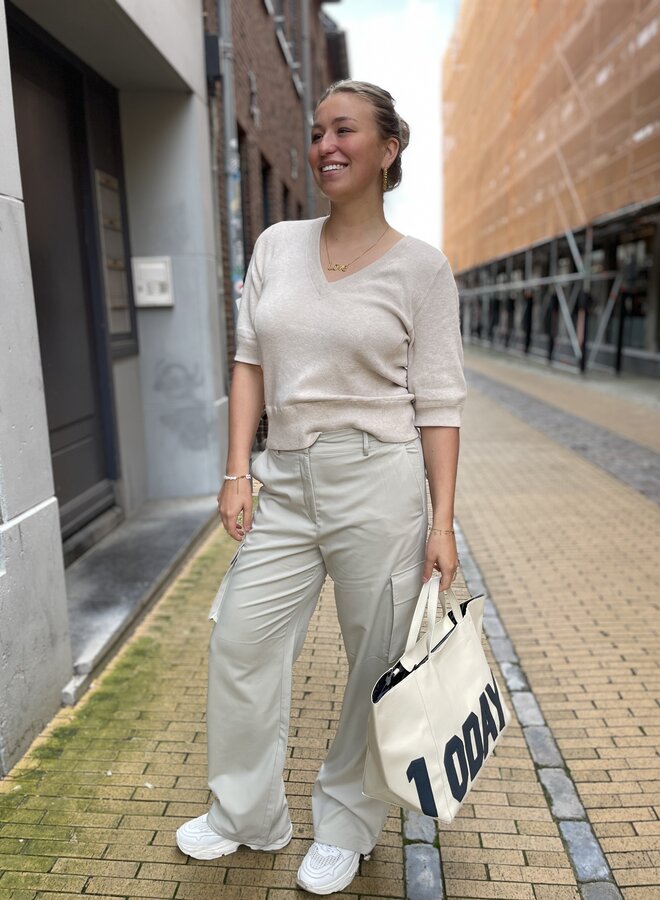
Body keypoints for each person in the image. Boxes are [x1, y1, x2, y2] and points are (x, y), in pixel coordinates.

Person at [175, 79, 467, 895]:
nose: (326, 145)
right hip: (286, 483)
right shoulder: (276, 245)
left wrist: (443, 524)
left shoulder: (423, 270)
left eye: (345, 130)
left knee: (376, 661)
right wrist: (237, 472)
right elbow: (249, 363)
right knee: (239, 638)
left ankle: (345, 821)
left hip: (381, 481)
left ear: (387, 149)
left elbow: (440, 402)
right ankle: (244, 812)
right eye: (316, 131)